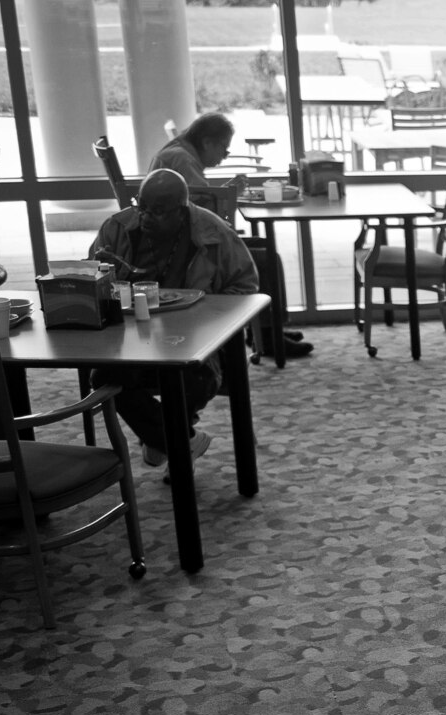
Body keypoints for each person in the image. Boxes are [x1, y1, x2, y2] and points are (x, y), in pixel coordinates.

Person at [88, 168, 259, 468]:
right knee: (103, 377)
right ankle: (180, 441)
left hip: (195, 339)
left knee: (196, 378)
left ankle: (159, 438)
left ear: (181, 210)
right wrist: (105, 274)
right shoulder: (117, 229)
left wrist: (203, 314)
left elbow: (246, 287)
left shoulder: (213, 232)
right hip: (131, 338)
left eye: (156, 212)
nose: (144, 217)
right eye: (141, 207)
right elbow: (87, 285)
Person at [152, 112, 312, 358]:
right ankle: (268, 336)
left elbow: (197, 202)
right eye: (224, 150)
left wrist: (226, 193)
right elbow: (203, 214)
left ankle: (266, 328)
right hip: (190, 251)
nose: (223, 157)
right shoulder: (183, 160)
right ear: (207, 142)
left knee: (264, 249)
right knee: (267, 258)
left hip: (180, 243)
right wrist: (230, 194)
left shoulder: (177, 152)